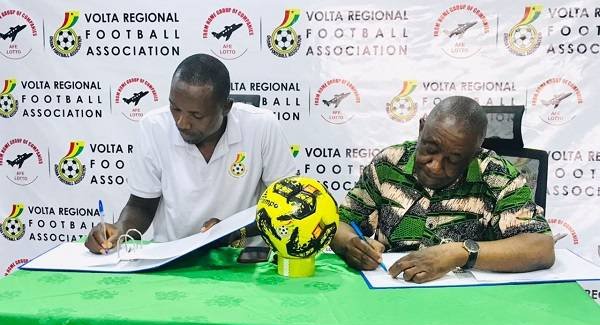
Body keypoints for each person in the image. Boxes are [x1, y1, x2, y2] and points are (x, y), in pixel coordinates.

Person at [85, 53, 296, 253]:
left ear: (226, 107)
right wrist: (119, 230)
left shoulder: (261, 126)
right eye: (175, 108)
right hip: (172, 258)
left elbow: (286, 205)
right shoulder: (153, 126)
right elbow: (141, 207)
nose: (182, 122)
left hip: (241, 259)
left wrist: (230, 231)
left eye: (196, 115)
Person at [330, 96, 554, 283]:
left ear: (474, 154)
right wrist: (352, 244)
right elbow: (339, 224)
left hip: (470, 304)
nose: (436, 166)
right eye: (430, 148)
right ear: (420, 129)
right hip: (393, 292)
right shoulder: (389, 164)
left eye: (454, 159)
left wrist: (459, 253)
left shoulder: (497, 176)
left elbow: (541, 248)